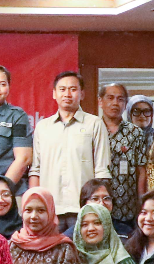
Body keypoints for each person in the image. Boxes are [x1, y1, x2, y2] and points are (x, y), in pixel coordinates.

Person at [31, 72, 107, 222]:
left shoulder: (94, 124)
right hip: (50, 209)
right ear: (54, 94)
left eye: (73, 89)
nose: (67, 94)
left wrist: (98, 208)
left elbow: (102, 171)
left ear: (82, 94)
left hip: (83, 208)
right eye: (62, 89)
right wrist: (35, 204)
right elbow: (35, 170)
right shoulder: (42, 127)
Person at [99, 83, 151, 223]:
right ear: (100, 101)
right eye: (110, 98)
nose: (115, 103)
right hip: (98, 205)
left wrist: (141, 201)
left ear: (126, 104)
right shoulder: (92, 129)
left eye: (120, 99)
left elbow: (141, 170)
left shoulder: (136, 133)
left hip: (127, 208)